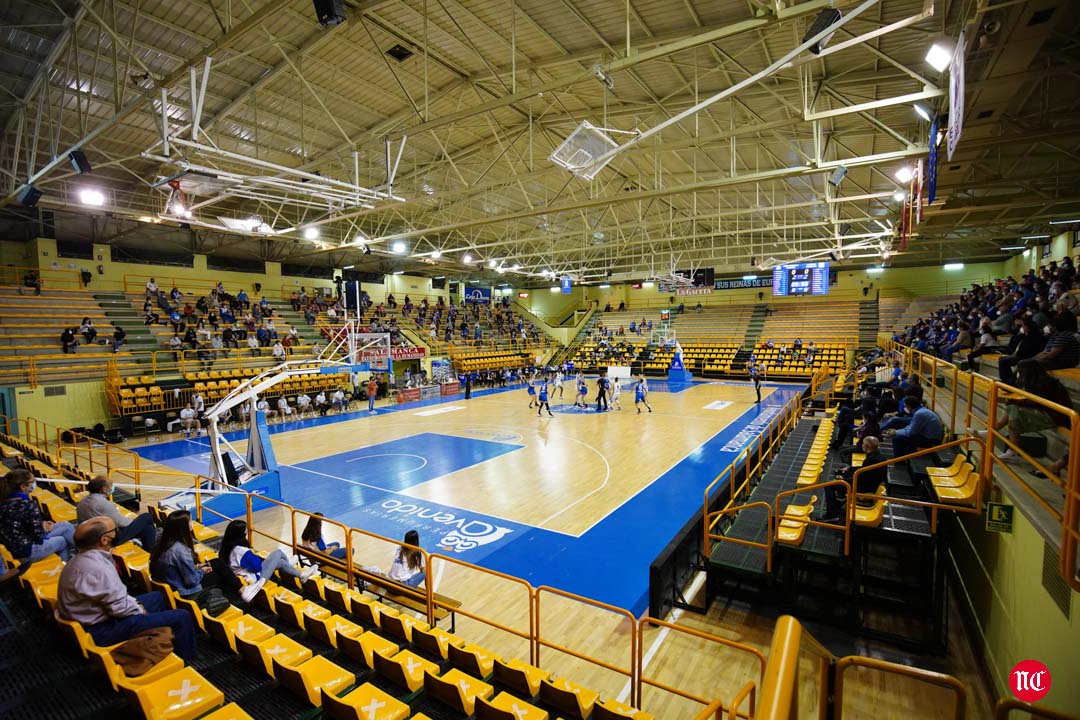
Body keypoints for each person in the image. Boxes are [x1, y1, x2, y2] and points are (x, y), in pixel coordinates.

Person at [57, 517, 198, 660]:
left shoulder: (77, 560)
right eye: (114, 530)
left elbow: (114, 599)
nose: (117, 533)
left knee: (157, 597)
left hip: (94, 617)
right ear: (105, 540)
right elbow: (119, 608)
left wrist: (135, 606)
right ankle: (187, 660)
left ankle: (157, 639)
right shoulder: (99, 569)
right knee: (182, 616)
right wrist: (139, 609)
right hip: (102, 629)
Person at [972, 360, 1074, 464]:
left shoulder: (1045, 383)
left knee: (1013, 409)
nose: (1018, 374)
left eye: (1020, 372)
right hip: (1047, 411)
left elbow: (1033, 401)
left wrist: (1008, 400)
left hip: (1056, 416)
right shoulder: (1037, 381)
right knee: (1012, 408)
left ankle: (1008, 449)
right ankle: (992, 434)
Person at [219, 519, 318, 603]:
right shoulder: (241, 551)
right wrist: (256, 557)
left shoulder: (226, 548)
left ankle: (298, 573)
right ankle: (296, 570)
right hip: (255, 578)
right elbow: (258, 567)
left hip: (244, 575)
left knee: (281, 563)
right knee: (278, 552)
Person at [149, 510, 240, 601]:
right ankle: (236, 596)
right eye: (190, 522)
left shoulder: (161, 542)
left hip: (172, 582)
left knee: (218, 562)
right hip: (184, 591)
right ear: (183, 527)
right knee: (223, 575)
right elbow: (191, 581)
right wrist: (202, 571)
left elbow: (175, 567)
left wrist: (196, 567)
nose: (192, 524)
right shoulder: (181, 551)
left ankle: (240, 589)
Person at [0, 469, 76, 565]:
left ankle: (85, 554)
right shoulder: (27, 504)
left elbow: (17, 525)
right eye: (31, 483)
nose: (33, 486)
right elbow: (38, 537)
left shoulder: (4, 501)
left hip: (12, 546)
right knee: (62, 541)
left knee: (65, 525)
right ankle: (66, 567)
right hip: (25, 551)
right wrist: (44, 528)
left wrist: (41, 525)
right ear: (23, 486)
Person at [76, 476, 157, 551]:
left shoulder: (83, 501)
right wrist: (136, 522)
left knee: (147, 528)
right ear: (104, 489)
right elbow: (122, 523)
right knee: (147, 517)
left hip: (91, 536)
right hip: (107, 539)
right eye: (110, 485)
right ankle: (151, 551)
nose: (112, 487)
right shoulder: (103, 504)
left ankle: (149, 551)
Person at [820, 436, 888, 523]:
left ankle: (832, 514)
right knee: (843, 468)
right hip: (869, 483)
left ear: (867, 447)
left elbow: (860, 479)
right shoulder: (879, 456)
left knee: (828, 486)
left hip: (864, 488)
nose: (862, 446)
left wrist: (843, 480)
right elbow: (864, 470)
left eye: (863, 444)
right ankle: (842, 497)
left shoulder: (871, 459)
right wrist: (850, 468)